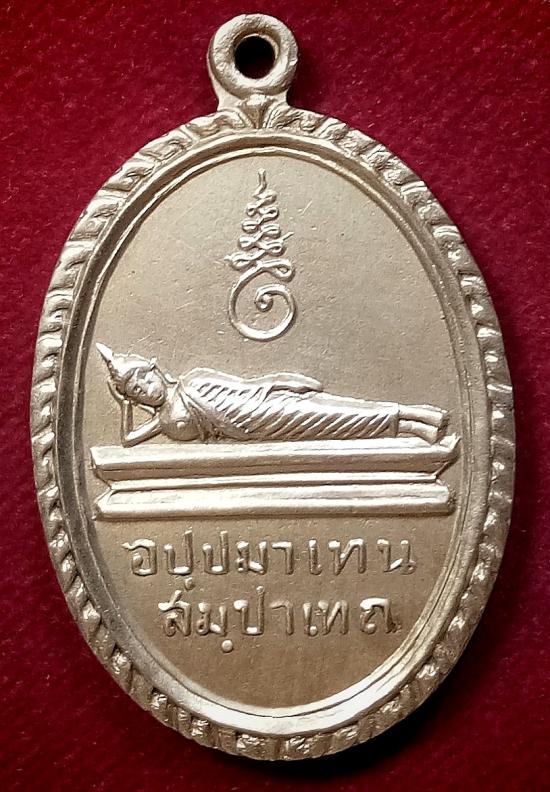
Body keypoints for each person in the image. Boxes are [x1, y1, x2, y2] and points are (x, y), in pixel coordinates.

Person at [96, 343, 448, 448]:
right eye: (136, 392)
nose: (145, 390)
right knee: (329, 426)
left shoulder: (193, 380)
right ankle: (409, 427)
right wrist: (124, 405)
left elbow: (244, 385)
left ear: (155, 370)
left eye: (143, 381)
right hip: (254, 433)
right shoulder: (162, 421)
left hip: (261, 408)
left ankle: (412, 414)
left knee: (329, 411)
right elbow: (129, 440)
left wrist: (281, 382)